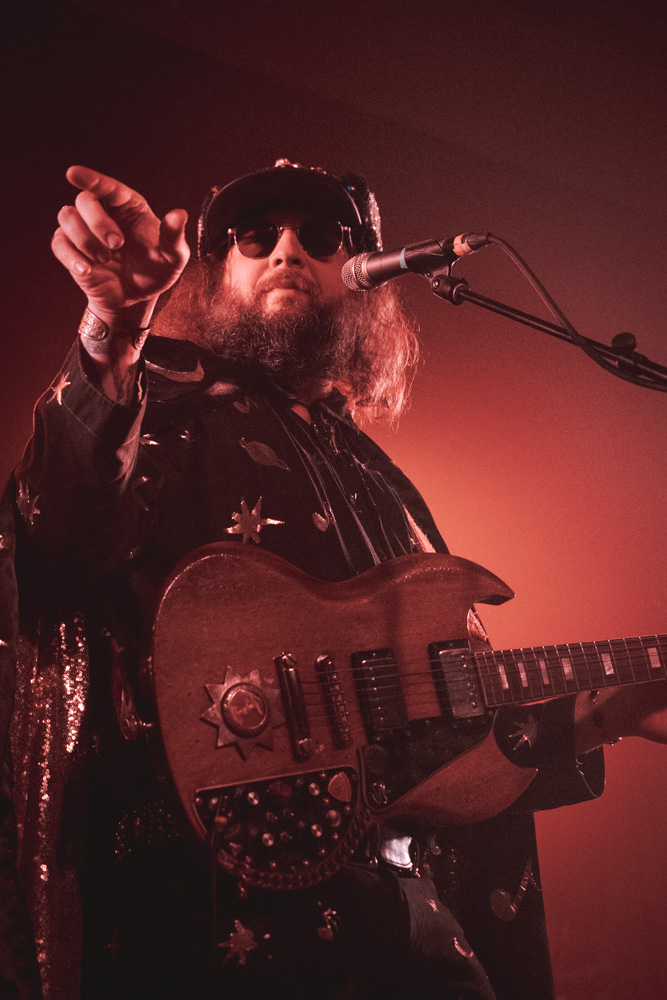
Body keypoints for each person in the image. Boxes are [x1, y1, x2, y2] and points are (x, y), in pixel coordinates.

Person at [8, 160, 667, 1000]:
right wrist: (112, 330)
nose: (288, 250)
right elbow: (55, 533)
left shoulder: (389, 489)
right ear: (213, 274)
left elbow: (435, 741)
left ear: (365, 282)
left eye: (322, 239)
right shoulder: (158, 409)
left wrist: (612, 709)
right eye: (254, 237)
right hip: (211, 916)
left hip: (404, 921)